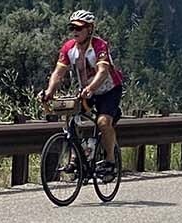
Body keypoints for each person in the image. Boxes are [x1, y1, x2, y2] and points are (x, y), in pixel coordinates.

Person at [41, 10, 124, 178]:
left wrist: (91, 88)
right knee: (72, 120)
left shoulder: (99, 45)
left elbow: (102, 71)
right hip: (87, 91)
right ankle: (76, 158)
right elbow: (58, 73)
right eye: (72, 28)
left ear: (90, 29)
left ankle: (110, 162)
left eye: (79, 28)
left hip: (109, 90)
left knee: (102, 122)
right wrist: (49, 91)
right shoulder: (69, 48)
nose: (75, 31)